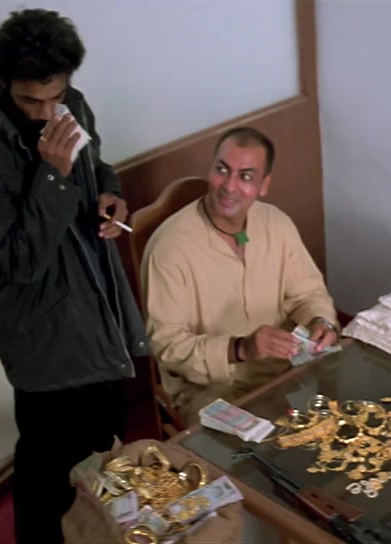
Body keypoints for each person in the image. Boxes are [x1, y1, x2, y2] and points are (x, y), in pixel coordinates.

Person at [0, 9, 148, 543]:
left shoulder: (73, 106)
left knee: (107, 440)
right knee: (48, 465)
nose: (46, 114)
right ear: (3, 85)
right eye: (30, 101)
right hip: (40, 328)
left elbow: (96, 164)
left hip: (95, 304)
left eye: (54, 97)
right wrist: (54, 176)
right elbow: (17, 263)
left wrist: (110, 194)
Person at [143, 127, 339, 426]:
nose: (229, 186)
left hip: (286, 369)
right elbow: (168, 347)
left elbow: (309, 294)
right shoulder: (169, 248)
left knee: (345, 422)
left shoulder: (276, 223)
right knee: (248, 452)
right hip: (211, 389)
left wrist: (320, 322)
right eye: (222, 170)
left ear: (263, 185)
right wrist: (240, 349)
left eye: (245, 176)